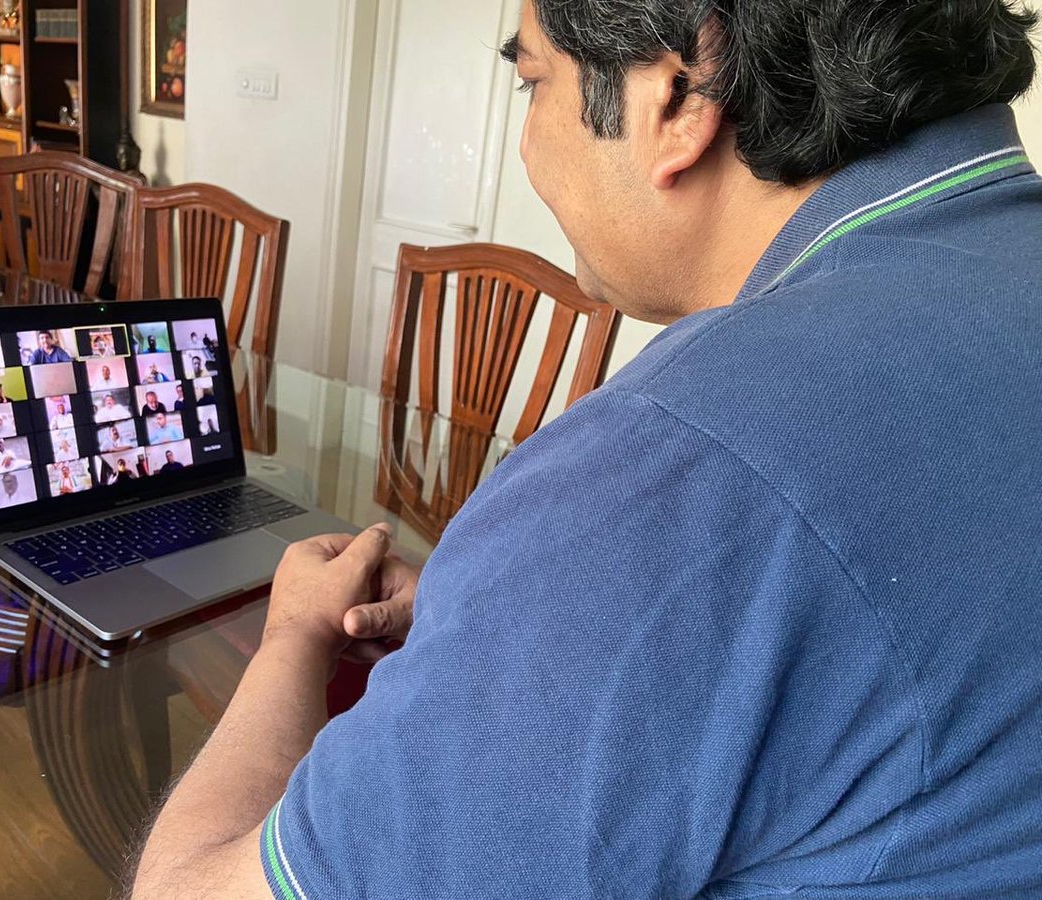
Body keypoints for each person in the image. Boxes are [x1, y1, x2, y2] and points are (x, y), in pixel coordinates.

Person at [132, 2, 1042, 898]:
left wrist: (293, 634)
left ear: (678, 92)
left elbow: (186, 891)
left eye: (532, 81)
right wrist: (507, 615)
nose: (526, 142)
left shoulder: (674, 469)